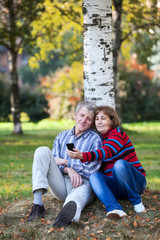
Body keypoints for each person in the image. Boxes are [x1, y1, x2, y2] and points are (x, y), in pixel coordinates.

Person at [27, 101, 102, 227]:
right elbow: (53, 161)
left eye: (89, 119)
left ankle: (68, 215)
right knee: (42, 151)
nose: (84, 120)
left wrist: (67, 162)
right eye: (82, 115)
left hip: (83, 183)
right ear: (75, 115)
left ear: (92, 122)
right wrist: (68, 169)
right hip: (60, 182)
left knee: (77, 197)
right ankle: (37, 206)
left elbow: (92, 170)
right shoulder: (62, 136)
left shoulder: (95, 140)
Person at [68, 106, 146, 220]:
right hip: (118, 187)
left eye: (103, 118)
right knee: (94, 176)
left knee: (119, 165)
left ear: (112, 120)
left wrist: (83, 156)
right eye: (97, 119)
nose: (99, 122)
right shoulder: (98, 139)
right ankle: (114, 208)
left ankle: (136, 201)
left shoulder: (118, 134)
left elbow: (107, 152)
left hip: (135, 183)